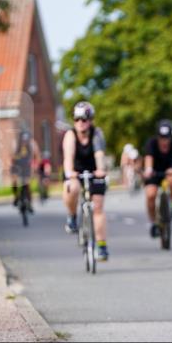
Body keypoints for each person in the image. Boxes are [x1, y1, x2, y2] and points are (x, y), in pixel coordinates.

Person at [61, 101, 110, 261]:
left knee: (98, 206)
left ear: (91, 120)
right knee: (72, 188)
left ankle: (101, 246)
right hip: (75, 172)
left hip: (94, 171)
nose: (81, 123)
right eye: (77, 119)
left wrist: (101, 170)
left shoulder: (97, 134)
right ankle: (72, 216)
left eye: (84, 119)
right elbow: (68, 157)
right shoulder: (70, 135)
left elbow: (99, 154)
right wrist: (70, 173)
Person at [143, 119, 172, 237]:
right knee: (150, 195)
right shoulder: (151, 143)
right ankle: (153, 222)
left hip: (169, 170)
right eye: (162, 138)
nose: (164, 141)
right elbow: (149, 158)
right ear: (158, 136)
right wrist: (148, 170)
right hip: (154, 172)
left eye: (167, 138)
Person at [10, 129, 40, 208]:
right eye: (23, 140)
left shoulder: (32, 143)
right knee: (14, 181)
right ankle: (16, 196)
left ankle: (29, 202)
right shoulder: (15, 143)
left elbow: (37, 155)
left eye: (26, 140)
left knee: (27, 183)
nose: (24, 142)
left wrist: (35, 165)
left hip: (27, 165)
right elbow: (11, 156)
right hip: (17, 164)